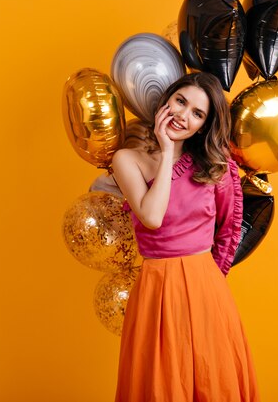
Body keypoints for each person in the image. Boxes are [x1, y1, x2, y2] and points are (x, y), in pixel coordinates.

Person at [111, 72, 260, 402]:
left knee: (213, 382)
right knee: (160, 385)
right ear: (166, 101)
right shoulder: (127, 159)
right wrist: (167, 152)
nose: (183, 115)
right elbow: (151, 216)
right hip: (155, 289)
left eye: (197, 113)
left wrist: (208, 285)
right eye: (180, 101)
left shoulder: (215, 167)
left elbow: (229, 230)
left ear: (203, 126)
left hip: (205, 289)